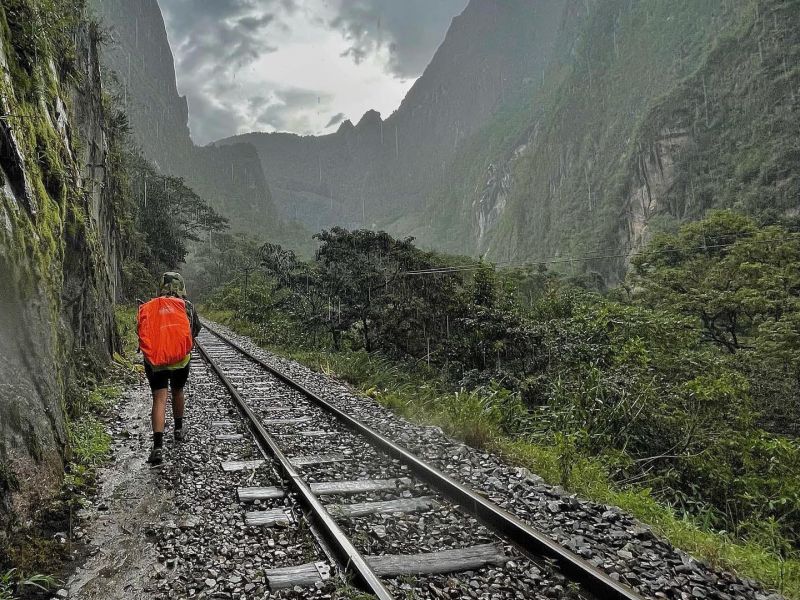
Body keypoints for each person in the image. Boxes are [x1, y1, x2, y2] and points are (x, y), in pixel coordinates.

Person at [140, 272, 201, 465]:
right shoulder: (187, 306)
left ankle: (158, 447)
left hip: (156, 361)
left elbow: (141, 331)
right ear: (181, 287)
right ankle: (178, 429)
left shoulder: (150, 306)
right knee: (178, 391)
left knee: (159, 398)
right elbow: (195, 329)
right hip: (180, 360)